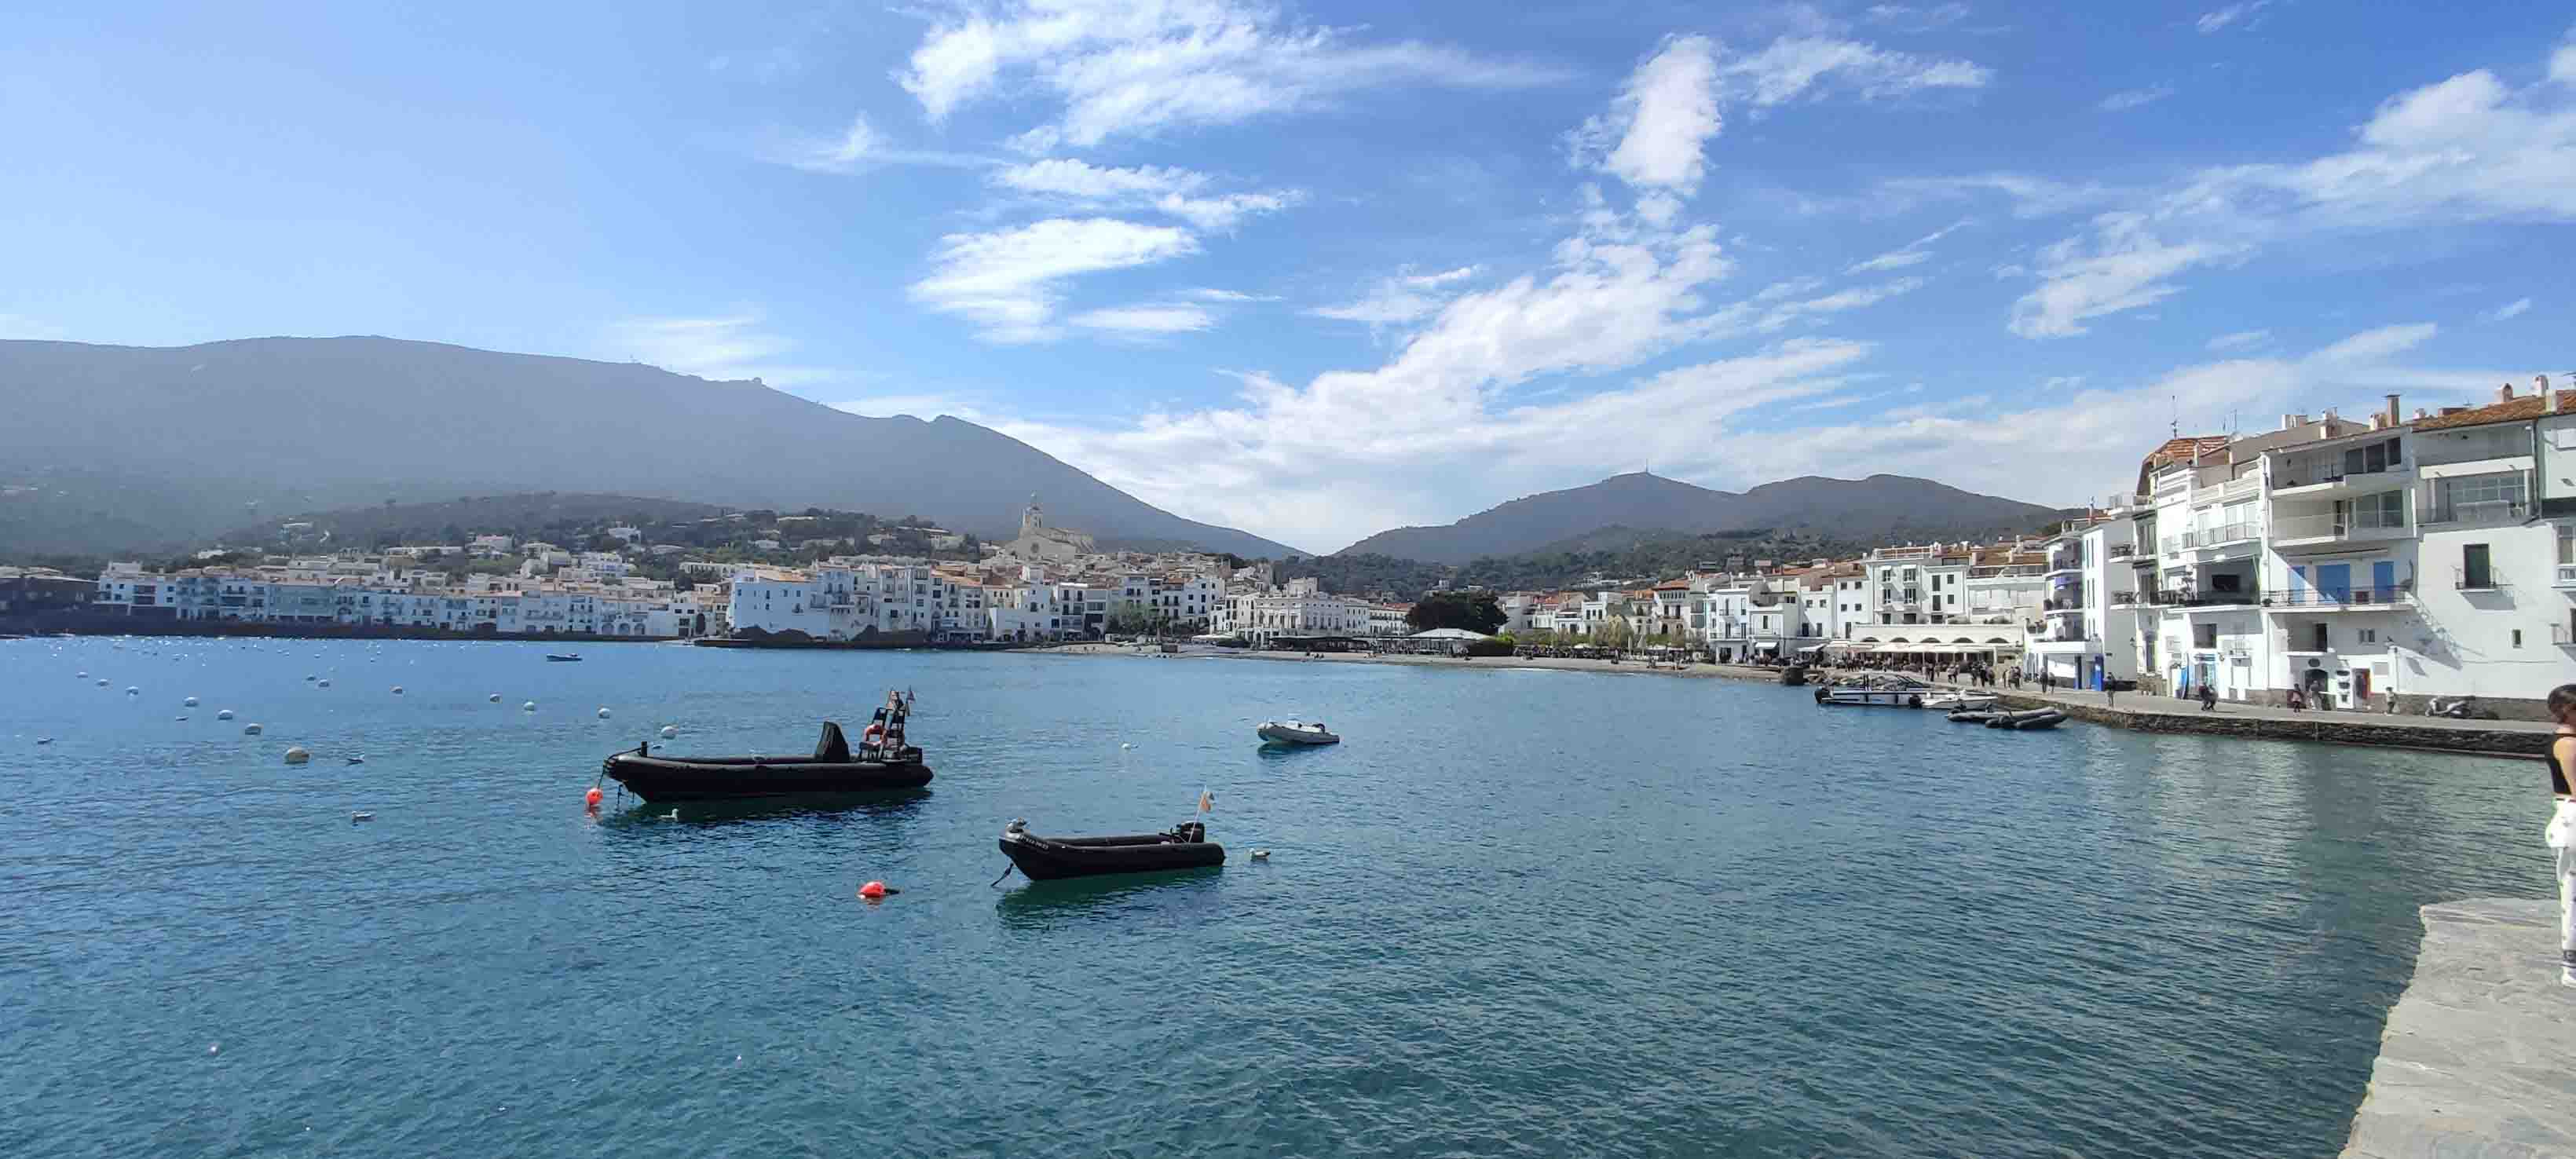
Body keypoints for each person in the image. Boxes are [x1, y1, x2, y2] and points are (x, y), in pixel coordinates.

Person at [2547, 685, 2576, 987]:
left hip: (2568, 818)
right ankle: (2571, 969)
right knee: (2573, 895)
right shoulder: (2568, 744)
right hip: (2572, 818)